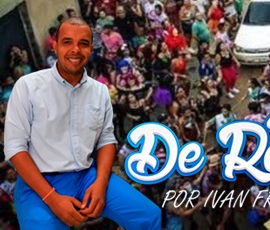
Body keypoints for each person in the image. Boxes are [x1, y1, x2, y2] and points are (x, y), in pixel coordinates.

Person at [4, 17, 161, 229]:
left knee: (149, 216)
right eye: (67, 42)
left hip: (86, 175)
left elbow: (106, 140)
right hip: (38, 186)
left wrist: (101, 183)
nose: (75, 50)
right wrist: (52, 198)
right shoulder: (27, 87)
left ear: (90, 50)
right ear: (55, 47)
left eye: (83, 43)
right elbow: (15, 149)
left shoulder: (100, 91)